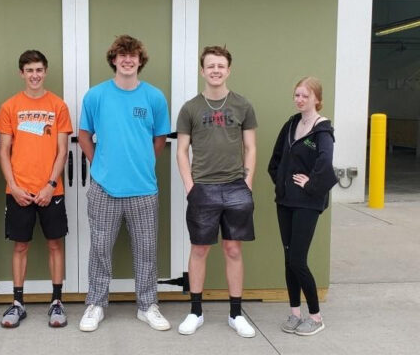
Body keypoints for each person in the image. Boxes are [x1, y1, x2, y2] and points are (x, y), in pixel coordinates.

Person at [78, 35, 171, 332]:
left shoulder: (154, 97)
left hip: (143, 189)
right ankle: (96, 304)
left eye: (133, 56)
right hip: (104, 188)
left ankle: (147, 305)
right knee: (100, 247)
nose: (127, 60)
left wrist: (142, 162)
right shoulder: (96, 96)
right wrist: (100, 165)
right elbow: (83, 134)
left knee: (146, 249)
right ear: (114, 60)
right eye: (122, 55)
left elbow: (159, 139)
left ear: (140, 60)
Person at [176, 45, 257, 338]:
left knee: (233, 249)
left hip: (236, 187)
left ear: (228, 70)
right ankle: (195, 311)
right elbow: (182, 151)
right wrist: (190, 186)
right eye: (210, 66)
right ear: (202, 70)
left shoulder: (242, 105)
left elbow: (250, 147)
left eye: (221, 66)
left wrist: (247, 182)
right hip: (203, 189)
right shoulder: (190, 108)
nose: (215, 71)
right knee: (199, 249)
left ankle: (236, 314)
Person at [0, 50, 72, 328]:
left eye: (39, 70)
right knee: (20, 246)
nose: (35, 75)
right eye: (29, 70)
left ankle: (56, 302)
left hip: (51, 191)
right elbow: (4, 151)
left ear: (45, 71)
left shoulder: (58, 106)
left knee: (54, 244)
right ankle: (17, 303)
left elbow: (62, 151)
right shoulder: (9, 107)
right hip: (19, 191)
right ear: (22, 73)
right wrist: (13, 186)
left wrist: (51, 185)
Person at [267, 77, 337, 336]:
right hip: (285, 202)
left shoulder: (322, 130)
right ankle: (295, 313)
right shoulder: (291, 124)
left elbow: (326, 164)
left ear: (316, 99)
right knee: (288, 260)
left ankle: (316, 317)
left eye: (305, 96)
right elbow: (275, 160)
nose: (299, 100)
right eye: (296, 95)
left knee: (298, 259)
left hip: (307, 204)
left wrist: (308, 186)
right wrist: (282, 183)